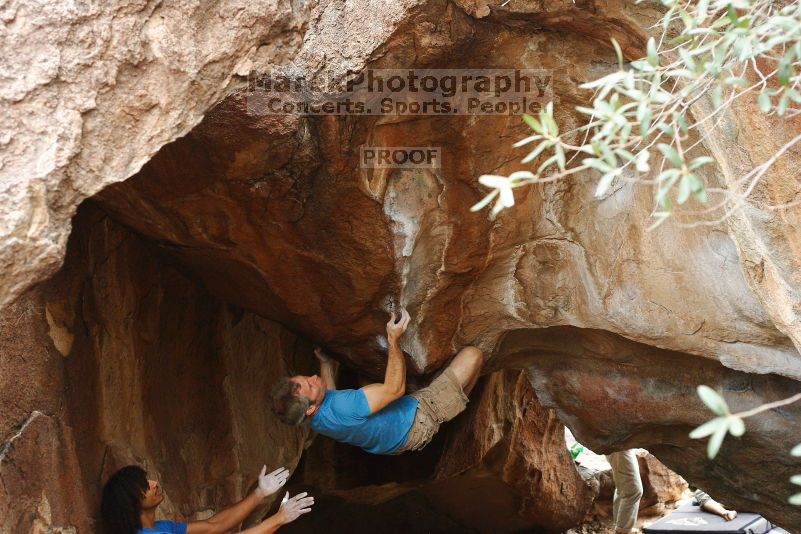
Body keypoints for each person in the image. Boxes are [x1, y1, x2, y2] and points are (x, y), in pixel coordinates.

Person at [270, 308, 484, 455]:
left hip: (389, 442)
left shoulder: (309, 417)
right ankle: (450, 409)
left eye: (306, 377)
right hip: (416, 421)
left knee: (367, 382)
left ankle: (453, 401)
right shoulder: (346, 408)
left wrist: (326, 365)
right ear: (310, 409)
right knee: (473, 355)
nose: (314, 378)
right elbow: (394, 389)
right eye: (310, 385)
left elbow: (331, 396)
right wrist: (393, 338)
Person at [101, 464, 313, 534]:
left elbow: (214, 525)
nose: (154, 483)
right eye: (145, 485)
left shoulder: (160, 527)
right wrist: (278, 519)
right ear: (132, 502)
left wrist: (260, 493)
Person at [606, 449, 643, 534]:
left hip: (620, 446)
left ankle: (621, 528)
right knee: (633, 490)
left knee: (623, 488)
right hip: (619, 446)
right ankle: (622, 531)